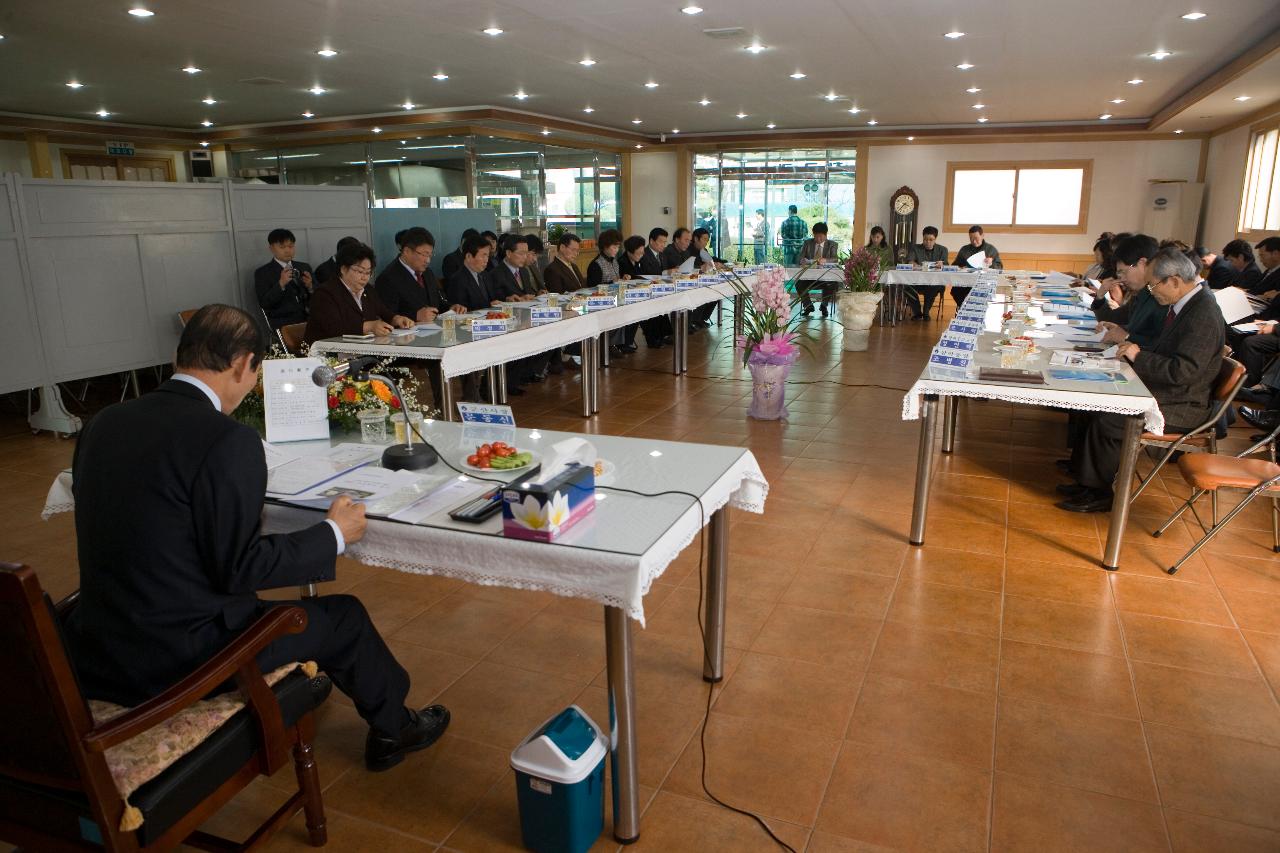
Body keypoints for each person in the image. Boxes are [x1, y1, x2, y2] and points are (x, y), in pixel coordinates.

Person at [64, 304, 449, 771]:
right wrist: (333, 534)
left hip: (100, 647)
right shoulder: (225, 439)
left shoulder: (103, 423)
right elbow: (240, 568)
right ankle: (396, 729)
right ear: (243, 364)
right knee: (343, 618)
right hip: (181, 659)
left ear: (179, 355)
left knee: (314, 616)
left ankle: (307, 682)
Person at [1058, 248, 1224, 512]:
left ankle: (1100, 493)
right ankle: (1085, 480)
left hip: (1183, 404)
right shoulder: (1186, 304)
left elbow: (1184, 372)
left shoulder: (1202, 313)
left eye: (1153, 284)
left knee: (1110, 416)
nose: (1151, 290)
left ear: (1174, 281)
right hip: (1167, 389)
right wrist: (1131, 344)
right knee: (1096, 399)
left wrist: (1138, 355)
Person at [304, 242, 413, 342]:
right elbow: (333, 328)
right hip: (329, 353)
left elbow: (384, 312)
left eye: (368, 273)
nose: (364, 278)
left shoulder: (368, 290)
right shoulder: (324, 293)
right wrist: (368, 326)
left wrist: (397, 319)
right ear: (343, 269)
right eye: (360, 271)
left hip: (361, 349)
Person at [375, 227, 465, 324]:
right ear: (406, 251)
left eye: (430, 255)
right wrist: (415, 315)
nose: (428, 260)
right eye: (424, 254)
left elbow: (437, 302)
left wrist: (451, 308)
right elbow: (386, 316)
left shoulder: (428, 273)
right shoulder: (387, 278)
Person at [1091, 234, 1165, 348]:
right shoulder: (1141, 294)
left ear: (1142, 264)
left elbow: (1162, 345)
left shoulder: (1161, 297)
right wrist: (1116, 328)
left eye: (1123, 272)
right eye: (1119, 274)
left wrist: (1126, 336)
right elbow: (1116, 319)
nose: (1122, 279)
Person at [588, 229, 638, 353]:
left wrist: (623, 278)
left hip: (616, 298)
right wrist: (613, 282)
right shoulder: (596, 264)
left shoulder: (614, 262)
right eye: (614, 246)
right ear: (605, 246)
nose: (616, 249)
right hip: (601, 302)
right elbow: (593, 288)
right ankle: (610, 345)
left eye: (618, 246)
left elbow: (617, 279)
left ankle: (623, 342)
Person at [254, 228, 314, 329]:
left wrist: (310, 287)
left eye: (291, 246)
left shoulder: (304, 267)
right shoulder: (263, 273)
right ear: (271, 248)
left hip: (309, 317)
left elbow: (319, 295)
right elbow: (265, 303)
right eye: (282, 247)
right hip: (284, 322)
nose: (287, 250)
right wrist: (281, 284)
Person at [951, 225, 1003, 306]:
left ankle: (974, 311)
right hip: (966, 281)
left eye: (976, 238)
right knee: (955, 290)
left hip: (984, 282)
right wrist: (960, 267)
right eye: (971, 238)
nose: (974, 241)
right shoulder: (964, 249)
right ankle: (964, 309)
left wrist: (991, 263)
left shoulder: (991, 249)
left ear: (982, 236)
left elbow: (1000, 268)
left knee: (981, 293)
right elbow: (954, 265)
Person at [445, 234, 501, 310]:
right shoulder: (458, 280)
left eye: (487, 256)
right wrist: (488, 306)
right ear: (468, 256)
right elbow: (461, 310)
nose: (486, 260)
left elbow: (494, 298)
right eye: (483, 256)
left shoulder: (486, 275)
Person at [638, 228, 673, 348]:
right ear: (652, 241)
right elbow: (647, 273)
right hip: (647, 290)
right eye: (661, 241)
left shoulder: (662, 255)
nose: (663, 245)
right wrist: (665, 272)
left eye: (665, 242)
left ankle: (663, 335)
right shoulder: (644, 254)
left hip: (660, 288)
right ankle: (653, 338)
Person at [905, 226, 949, 319]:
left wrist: (942, 264)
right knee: (906, 286)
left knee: (933, 286)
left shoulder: (943, 250)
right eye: (925, 239)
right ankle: (917, 312)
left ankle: (926, 312)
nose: (928, 242)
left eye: (931, 239)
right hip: (917, 281)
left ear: (935, 239)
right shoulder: (915, 248)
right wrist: (913, 263)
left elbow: (947, 265)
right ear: (922, 238)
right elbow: (910, 261)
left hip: (934, 282)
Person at [796, 222, 839, 316]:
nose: (818, 239)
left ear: (826, 235)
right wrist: (803, 260)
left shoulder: (832, 244)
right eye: (816, 236)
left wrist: (826, 260)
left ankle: (824, 305)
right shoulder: (808, 243)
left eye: (821, 236)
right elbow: (800, 258)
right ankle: (808, 305)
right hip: (810, 278)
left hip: (826, 278)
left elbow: (835, 259)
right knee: (799, 283)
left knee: (833, 283)